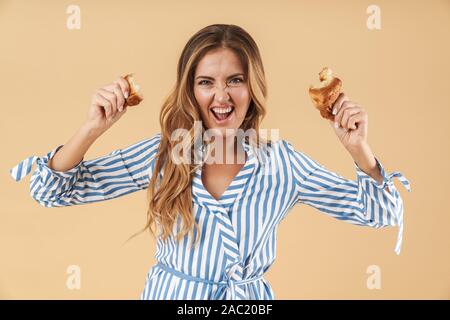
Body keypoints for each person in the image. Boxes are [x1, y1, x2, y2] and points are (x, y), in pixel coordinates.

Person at [10, 24, 411, 300]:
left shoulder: (281, 163)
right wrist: (92, 128)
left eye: (235, 80)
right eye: (206, 82)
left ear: (252, 88)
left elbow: (381, 212)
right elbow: (51, 191)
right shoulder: (165, 154)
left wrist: (358, 148)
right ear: (191, 90)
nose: (222, 95)